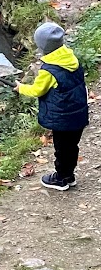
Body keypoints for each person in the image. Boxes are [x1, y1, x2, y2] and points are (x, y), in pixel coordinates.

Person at [14, 22, 89, 191]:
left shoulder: (49, 70)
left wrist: (20, 88)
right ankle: (69, 175)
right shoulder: (71, 59)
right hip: (78, 113)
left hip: (62, 118)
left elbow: (37, 90)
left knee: (61, 149)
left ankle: (61, 179)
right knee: (71, 146)